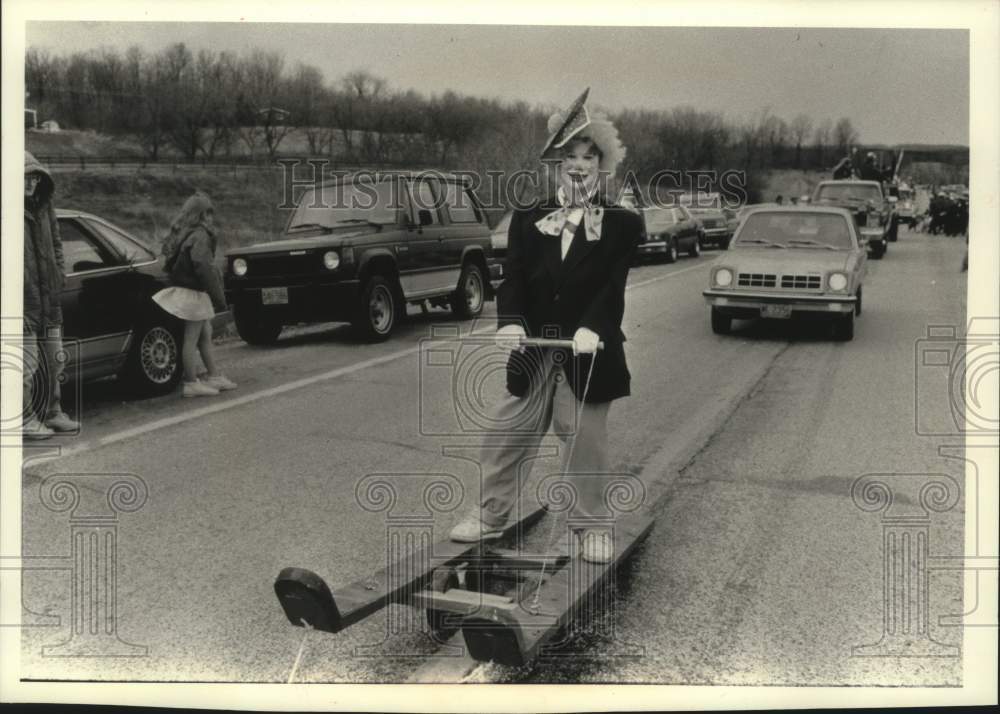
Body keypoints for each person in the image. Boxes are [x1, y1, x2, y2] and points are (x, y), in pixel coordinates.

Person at [447, 89, 642, 564]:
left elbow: (611, 288)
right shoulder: (528, 218)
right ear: (555, 165)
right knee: (508, 430)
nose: (578, 166)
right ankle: (491, 514)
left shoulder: (620, 224)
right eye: (569, 157)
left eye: (588, 157)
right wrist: (510, 322)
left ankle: (592, 526)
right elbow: (512, 278)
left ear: (601, 164)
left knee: (582, 438)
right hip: (534, 348)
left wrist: (594, 326)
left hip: (589, 353)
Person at [153, 193, 236, 397]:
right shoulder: (199, 235)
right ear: (203, 215)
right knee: (191, 339)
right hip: (193, 293)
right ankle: (191, 383)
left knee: (205, 334)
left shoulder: (183, 233)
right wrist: (219, 298)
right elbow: (203, 266)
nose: (211, 218)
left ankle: (213, 375)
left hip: (186, 291)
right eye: (209, 213)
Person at [23, 151, 80, 440]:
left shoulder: (45, 206)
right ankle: (24, 419)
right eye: (25, 177)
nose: (30, 182)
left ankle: (53, 411)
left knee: (54, 358)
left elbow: (57, 242)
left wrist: (59, 273)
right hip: (23, 300)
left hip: (48, 296)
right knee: (25, 363)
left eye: (34, 177)